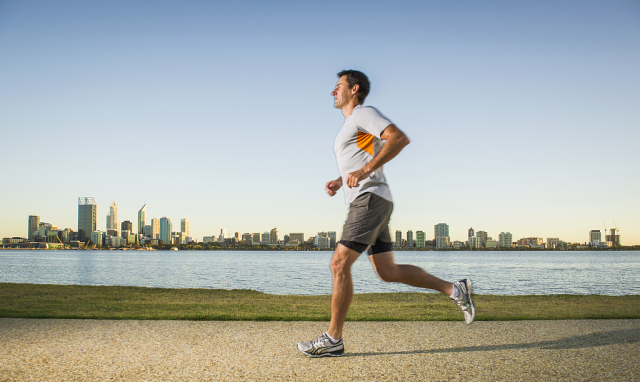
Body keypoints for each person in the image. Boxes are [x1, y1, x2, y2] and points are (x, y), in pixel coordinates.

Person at [297, 70, 476, 358]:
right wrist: (341, 179)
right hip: (373, 199)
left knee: (338, 264)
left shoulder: (362, 114)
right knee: (388, 271)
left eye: (338, 86)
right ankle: (455, 290)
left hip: (369, 200)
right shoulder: (356, 125)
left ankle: (333, 339)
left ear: (354, 89)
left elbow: (398, 138)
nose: (333, 91)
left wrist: (364, 172)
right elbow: (366, 156)